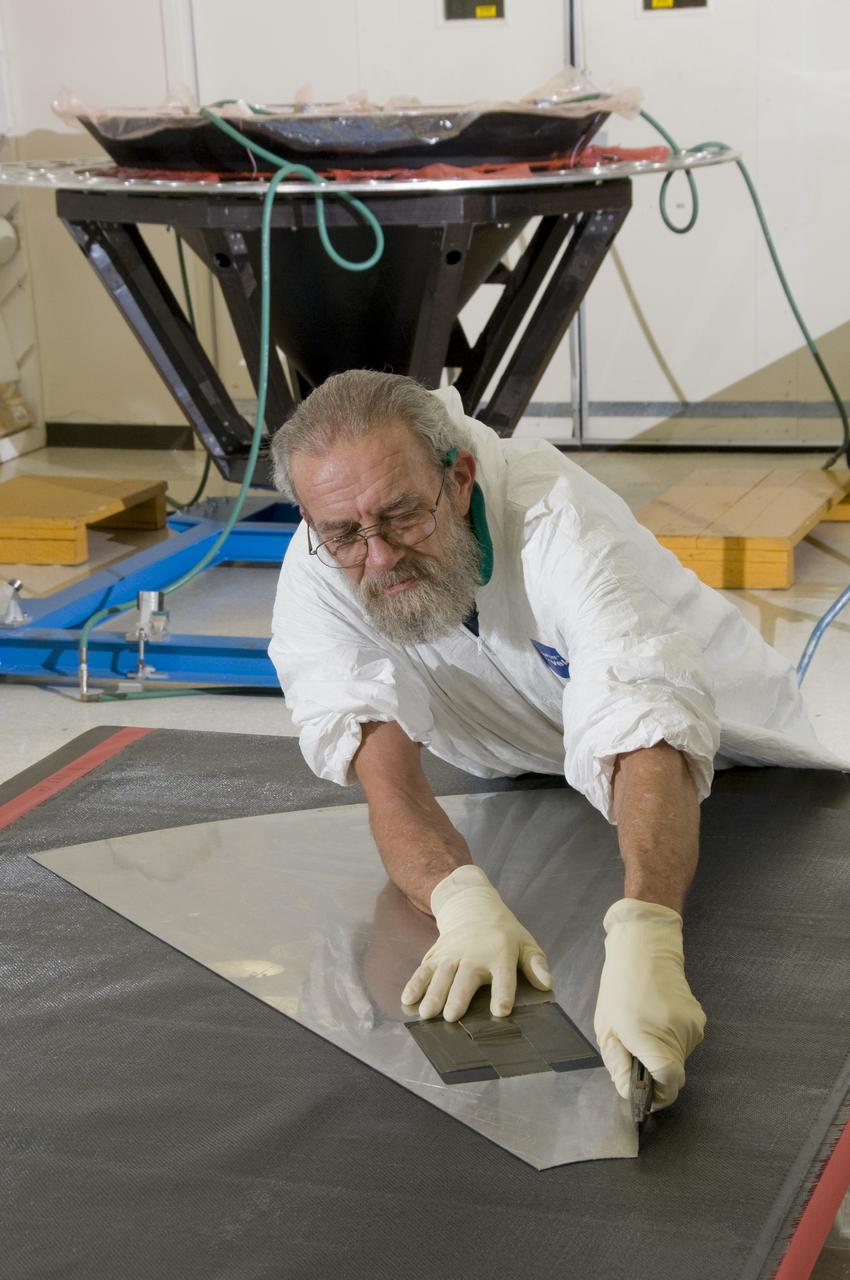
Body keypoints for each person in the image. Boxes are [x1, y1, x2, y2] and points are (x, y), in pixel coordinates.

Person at [268, 369, 843, 1111]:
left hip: (738, 766)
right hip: (531, 777)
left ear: (461, 476)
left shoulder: (556, 519)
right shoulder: (321, 566)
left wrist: (648, 934)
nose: (378, 557)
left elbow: (646, 730)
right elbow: (390, 779)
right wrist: (460, 900)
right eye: (345, 534)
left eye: (404, 516)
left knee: (781, 1023)